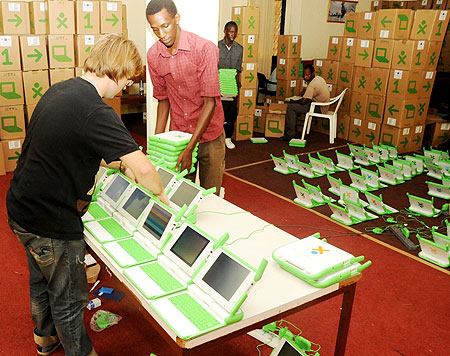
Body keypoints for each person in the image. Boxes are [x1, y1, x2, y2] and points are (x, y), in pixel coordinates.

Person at [6, 34, 168, 356]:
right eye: (128, 81)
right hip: (50, 222)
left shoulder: (62, 90)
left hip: (21, 209)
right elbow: (148, 171)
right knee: (68, 300)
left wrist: (121, 162)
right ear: (119, 72)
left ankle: (45, 339)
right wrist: (163, 200)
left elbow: (80, 144)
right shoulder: (97, 111)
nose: (125, 88)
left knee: (41, 280)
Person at [146, 0, 225, 194]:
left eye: (166, 26)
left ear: (177, 18)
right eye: (155, 29)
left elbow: (210, 102)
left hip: (210, 136)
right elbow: (163, 101)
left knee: (210, 197)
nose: (161, 35)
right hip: (178, 137)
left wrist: (190, 148)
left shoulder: (204, 49)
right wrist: (157, 146)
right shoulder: (153, 55)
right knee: (178, 195)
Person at [281, 64, 330, 141]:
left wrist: (293, 100)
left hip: (319, 108)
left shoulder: (312, 85)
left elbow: (303, 102)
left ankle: (291, 133)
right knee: (296, 106)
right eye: (304, 75)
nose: (305, 77)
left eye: (307, 75)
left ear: (312, 73)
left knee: (291, 107)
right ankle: (294, 127)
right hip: (323, 105)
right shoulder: (318, 78)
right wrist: (305, 91)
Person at [218, 21, 243, 150]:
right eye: (231, 31)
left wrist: (237, 87)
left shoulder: (239, 49)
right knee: (219, 113)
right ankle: (218, 138)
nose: (233, 34)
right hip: (219, 86)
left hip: (232, 86)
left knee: (231, 113)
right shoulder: (216, 47)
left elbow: (238, 70)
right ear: (225, 31)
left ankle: (228, 137)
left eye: (235, 32)